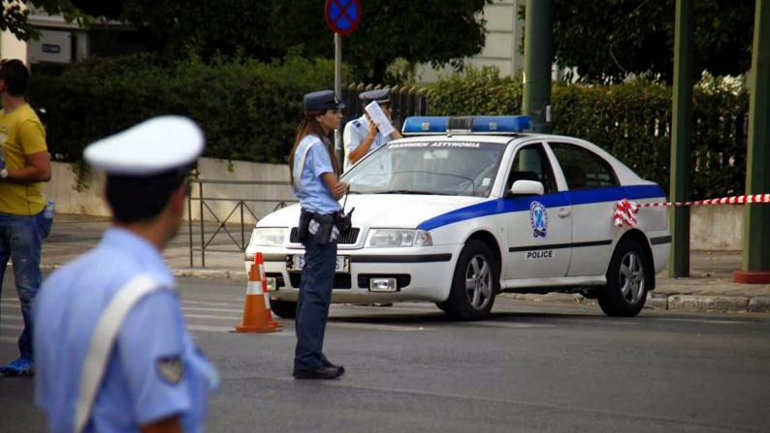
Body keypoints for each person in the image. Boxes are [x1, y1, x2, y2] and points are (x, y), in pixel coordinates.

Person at [34, 116, 219, 432]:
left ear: (107, 197)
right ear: (178, 199)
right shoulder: (147, 293)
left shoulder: (60, 283)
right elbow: (161, 422)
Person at [289, 90, 348, 380]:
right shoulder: (317, 146)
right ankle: (308, 359)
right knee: (317, 294)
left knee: (310, 291)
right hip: (322, 223)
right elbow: (333, 188)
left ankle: (310, 353)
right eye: (333, 112)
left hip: (312, 221)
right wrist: (345, 185)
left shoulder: (305, 143)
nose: (339, 116)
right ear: (318, 116)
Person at [0, 59, 51, 377]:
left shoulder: (27, 122)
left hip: (23, 217)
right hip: (2, 213)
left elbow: (43, 171)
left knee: (28, 291)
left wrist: (5, 174)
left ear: (3, 84)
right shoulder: (3, 117)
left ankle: (33, 355)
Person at [342, 88, 403, 171]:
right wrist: (370, 136)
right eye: (387, 107)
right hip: (361, 182)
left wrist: (389, 126)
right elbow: (353, 159)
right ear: (374, 109)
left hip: (384, 182)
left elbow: (403, 148)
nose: (390, 110)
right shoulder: (354, 127)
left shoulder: (387, 129)